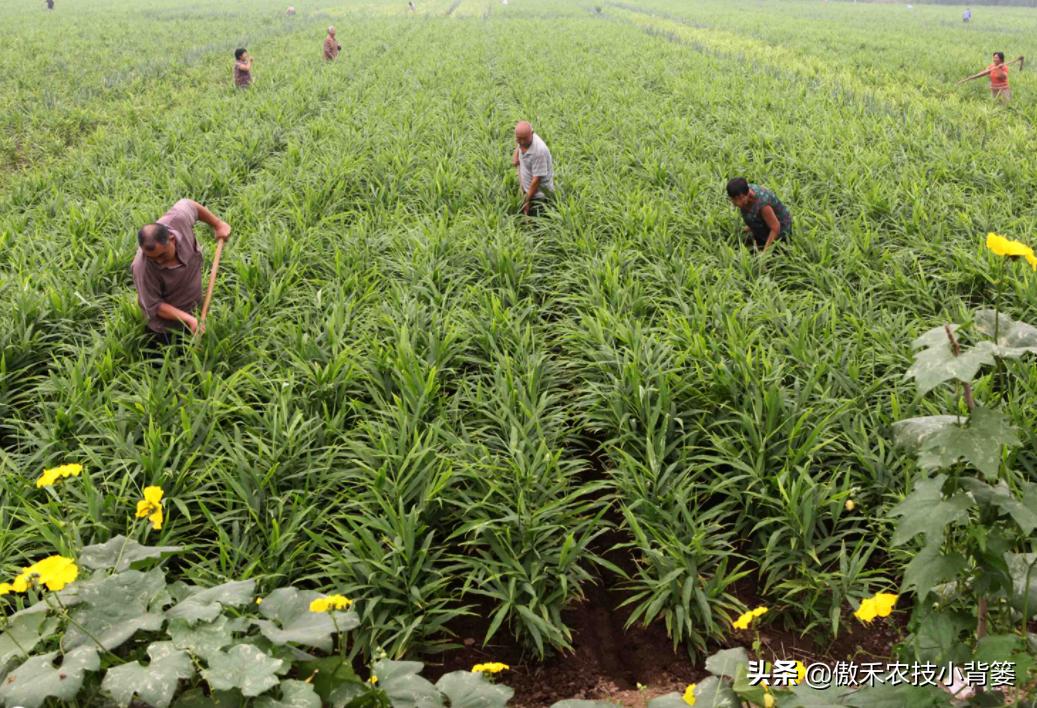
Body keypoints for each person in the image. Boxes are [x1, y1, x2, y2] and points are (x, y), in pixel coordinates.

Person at [132, 199, 231, 343]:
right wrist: (189, 319)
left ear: (172, 239)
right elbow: (155, 306)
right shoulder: (142, 268)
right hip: (167, 328)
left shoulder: (178, 220)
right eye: (153, 258)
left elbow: (190, 205)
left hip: (194, 311)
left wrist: (218, 224)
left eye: (162, 255)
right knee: (172, 353)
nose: (159, 261)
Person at [726, 177, 791, 252]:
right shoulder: (744, 189)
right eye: (733, 199)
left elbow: (776, 227)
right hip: (764, 221)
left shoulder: (763, 205)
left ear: (745, 195)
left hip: (779, 230)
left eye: (739, 199)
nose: (736, 203)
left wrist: (765, 252)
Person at [512, 121, 554, 216]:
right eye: (519, 139)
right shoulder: (523, 139)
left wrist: (526, 200)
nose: (522, 142)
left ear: (532, 133)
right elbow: (519, 144)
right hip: (527, 187)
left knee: (538, 218)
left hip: (538, 195)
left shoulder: (539, 151)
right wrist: (516, 154)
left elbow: (536, 181)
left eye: (524, 139)